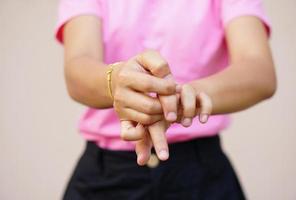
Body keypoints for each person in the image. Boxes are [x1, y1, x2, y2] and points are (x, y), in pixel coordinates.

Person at [55, 0, 276, 199]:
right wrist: (115, 82)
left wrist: (188, 96)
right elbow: (77, 68)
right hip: (105, 176)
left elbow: (259, 71)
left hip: (201, 174)